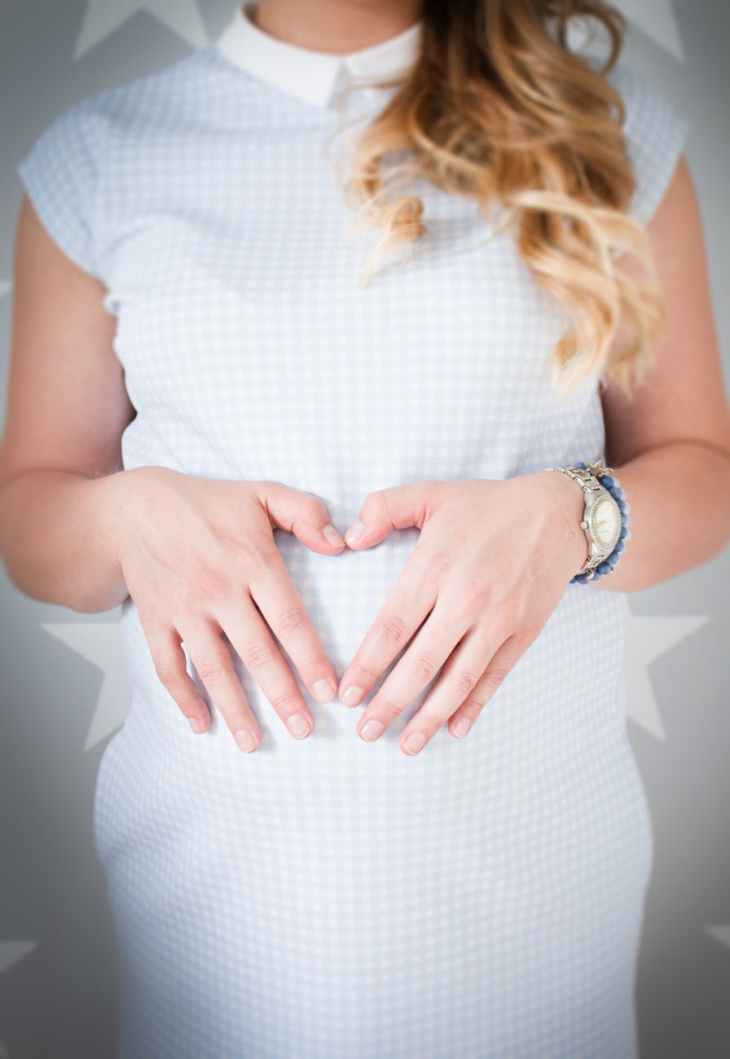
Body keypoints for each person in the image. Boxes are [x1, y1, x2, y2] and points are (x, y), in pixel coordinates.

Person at [2, 1, 729, 1056]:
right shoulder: (99, 159)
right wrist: (127, 509)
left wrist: (572, 515)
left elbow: (702, 474)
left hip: (534, 877)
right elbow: (32, 513)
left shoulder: (604, 131)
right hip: (220, 900)